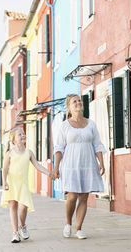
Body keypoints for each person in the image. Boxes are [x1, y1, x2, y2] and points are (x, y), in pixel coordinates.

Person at [52, 94, 106, 239]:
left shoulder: (91, 124)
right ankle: (68, 223)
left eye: (79, 101)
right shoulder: (64, 126)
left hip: (88, 164)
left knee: (84, 197)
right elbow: (59, 148)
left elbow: (97, 145)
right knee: (72, 196)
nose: (78, 103)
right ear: (69, 107)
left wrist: (101, 163)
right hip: (70, 165)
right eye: (74, 101)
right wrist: (56, 168)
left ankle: (78, 228)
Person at [1, 127, 53, 243]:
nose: (23, 135)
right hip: (11, 183)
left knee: (23, 207)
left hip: (23, 185)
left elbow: (38, 166)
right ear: (13, 140)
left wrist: (49, 173)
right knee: (13, 207)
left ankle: (23, 225)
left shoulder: (29, 153)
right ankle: (15, 233)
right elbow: (4, 169)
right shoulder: (9, 153)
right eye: (20, 134)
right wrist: (4, 182)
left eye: (23, 133)